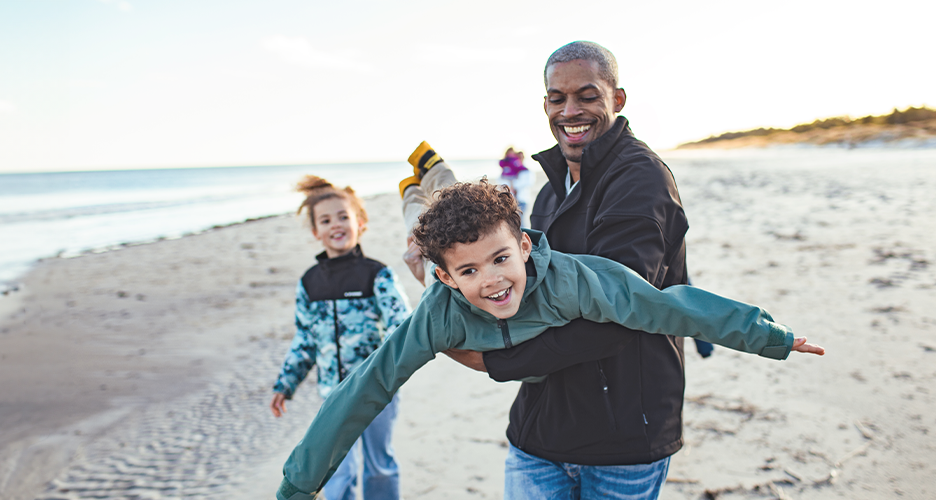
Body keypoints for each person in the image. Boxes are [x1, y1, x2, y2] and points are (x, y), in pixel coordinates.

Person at [274, 179, 825, 500]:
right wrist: (298, 486)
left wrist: (768, 336)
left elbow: (665, 306)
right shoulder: (438, 309)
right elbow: (365, 387)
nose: (491, 279)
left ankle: (431, 186)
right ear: (448, 279)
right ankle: (420, 191)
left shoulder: (574, 279)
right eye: (468, 271)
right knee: (421, 232)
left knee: (456, 230)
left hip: (609, 426)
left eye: (501, 258)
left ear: (526, 244)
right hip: (491, 355)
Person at [432, 40, 709, 499]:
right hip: (540, 431)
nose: (570, 110)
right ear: (545, 103)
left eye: (587, 95)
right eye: (557, 98)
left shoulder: (641, 181)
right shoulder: (551, 187)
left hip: (623, 438)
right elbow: (524, 292)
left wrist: (496, 362)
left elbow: (621, 312)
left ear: (616, 99)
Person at [268, 175, 410, 500]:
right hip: (332, 395)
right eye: (326, 220)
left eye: (344, 216)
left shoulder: (377, 274)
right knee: (336, 469)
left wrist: (386, 371)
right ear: (316, 232)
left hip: (376, 391)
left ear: (360, 223)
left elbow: (401, 324)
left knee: (379, 464)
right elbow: (305, 340)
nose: (337, 224)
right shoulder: (309, 283)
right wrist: (285, 384)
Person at [497, 148, 532, 223]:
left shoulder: (525, 171)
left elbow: (528, 183)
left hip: (522, 199)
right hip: (510, 199)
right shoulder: (510, 169)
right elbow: (501, 181)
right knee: (511, 221)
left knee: (520, 221)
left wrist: (513, 184)